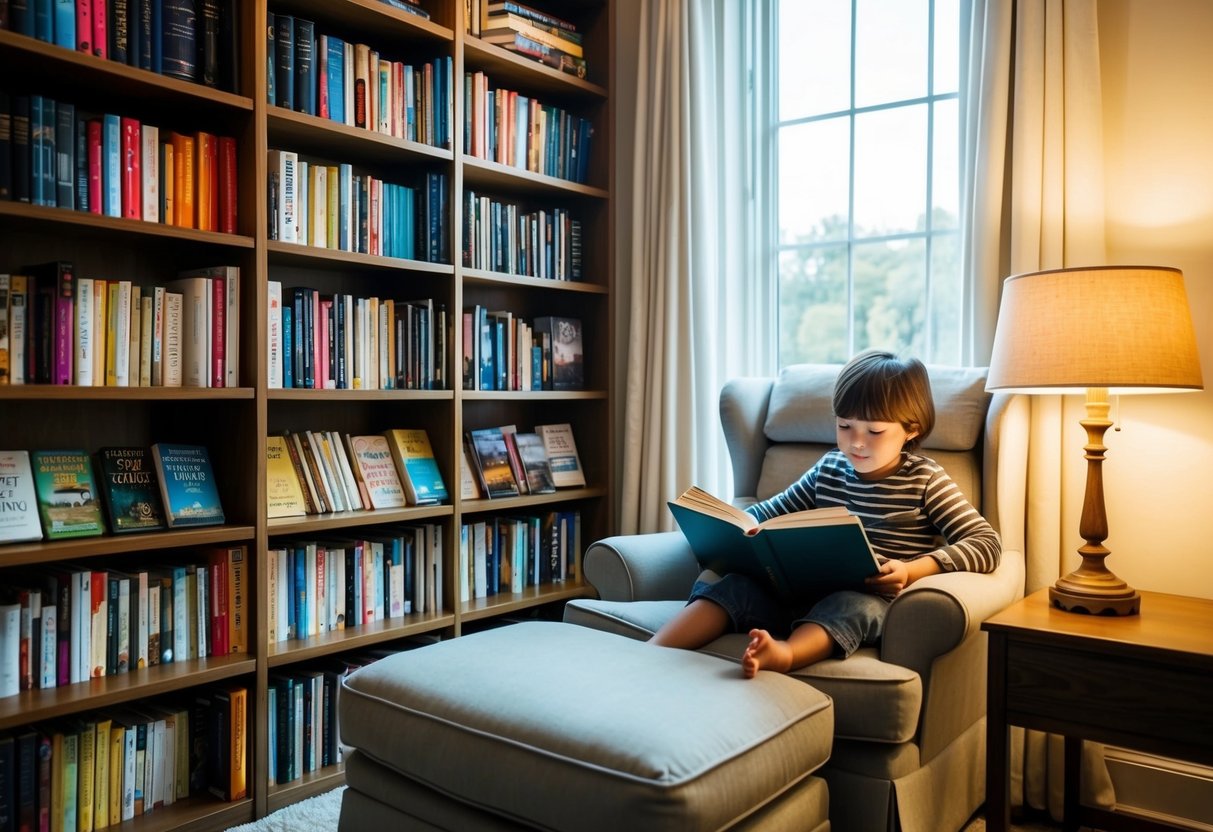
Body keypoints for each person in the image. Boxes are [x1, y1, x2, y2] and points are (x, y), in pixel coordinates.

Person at [649, 349, 1001, 678]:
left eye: (874, 431)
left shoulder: (925, 479)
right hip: (796, 594)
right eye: (844, 426)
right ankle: (653, 652)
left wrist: (911, 570)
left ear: (912, 430)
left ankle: (784, 654)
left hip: (866, 600)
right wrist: (735, 532)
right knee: (733, 586)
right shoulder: (829, 468)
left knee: (851, 605)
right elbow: (766, 514)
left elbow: (986, 543)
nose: (856, 442)